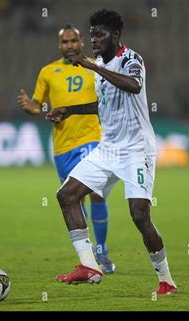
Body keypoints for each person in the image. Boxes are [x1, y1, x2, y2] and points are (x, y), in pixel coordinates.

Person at [46, 9, 177, 294]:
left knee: (139, 215)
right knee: (66, 195)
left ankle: (166, 280)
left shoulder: (131, 59)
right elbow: (102, 105)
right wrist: (70, 110)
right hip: (108, 150)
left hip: (136, 150)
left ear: (115, 35)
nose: (93, 40)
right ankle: (88, 265)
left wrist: (93, 67)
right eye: (91, 34)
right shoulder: (100, 66)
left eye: (99, 34)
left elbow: (133, 85)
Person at [17, 24, 115, 273]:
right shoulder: (48, 72)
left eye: (73, 41)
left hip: (92, 139)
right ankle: (88, 256)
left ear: (81, 41)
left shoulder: (95, 67)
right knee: (74, 199)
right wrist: (31, 106)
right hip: (62, 147)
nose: (69, 45)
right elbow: (38, 106)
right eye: (65, 42)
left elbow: (108, 101)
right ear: (59, 45)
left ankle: (102, 251)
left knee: (96, 192)